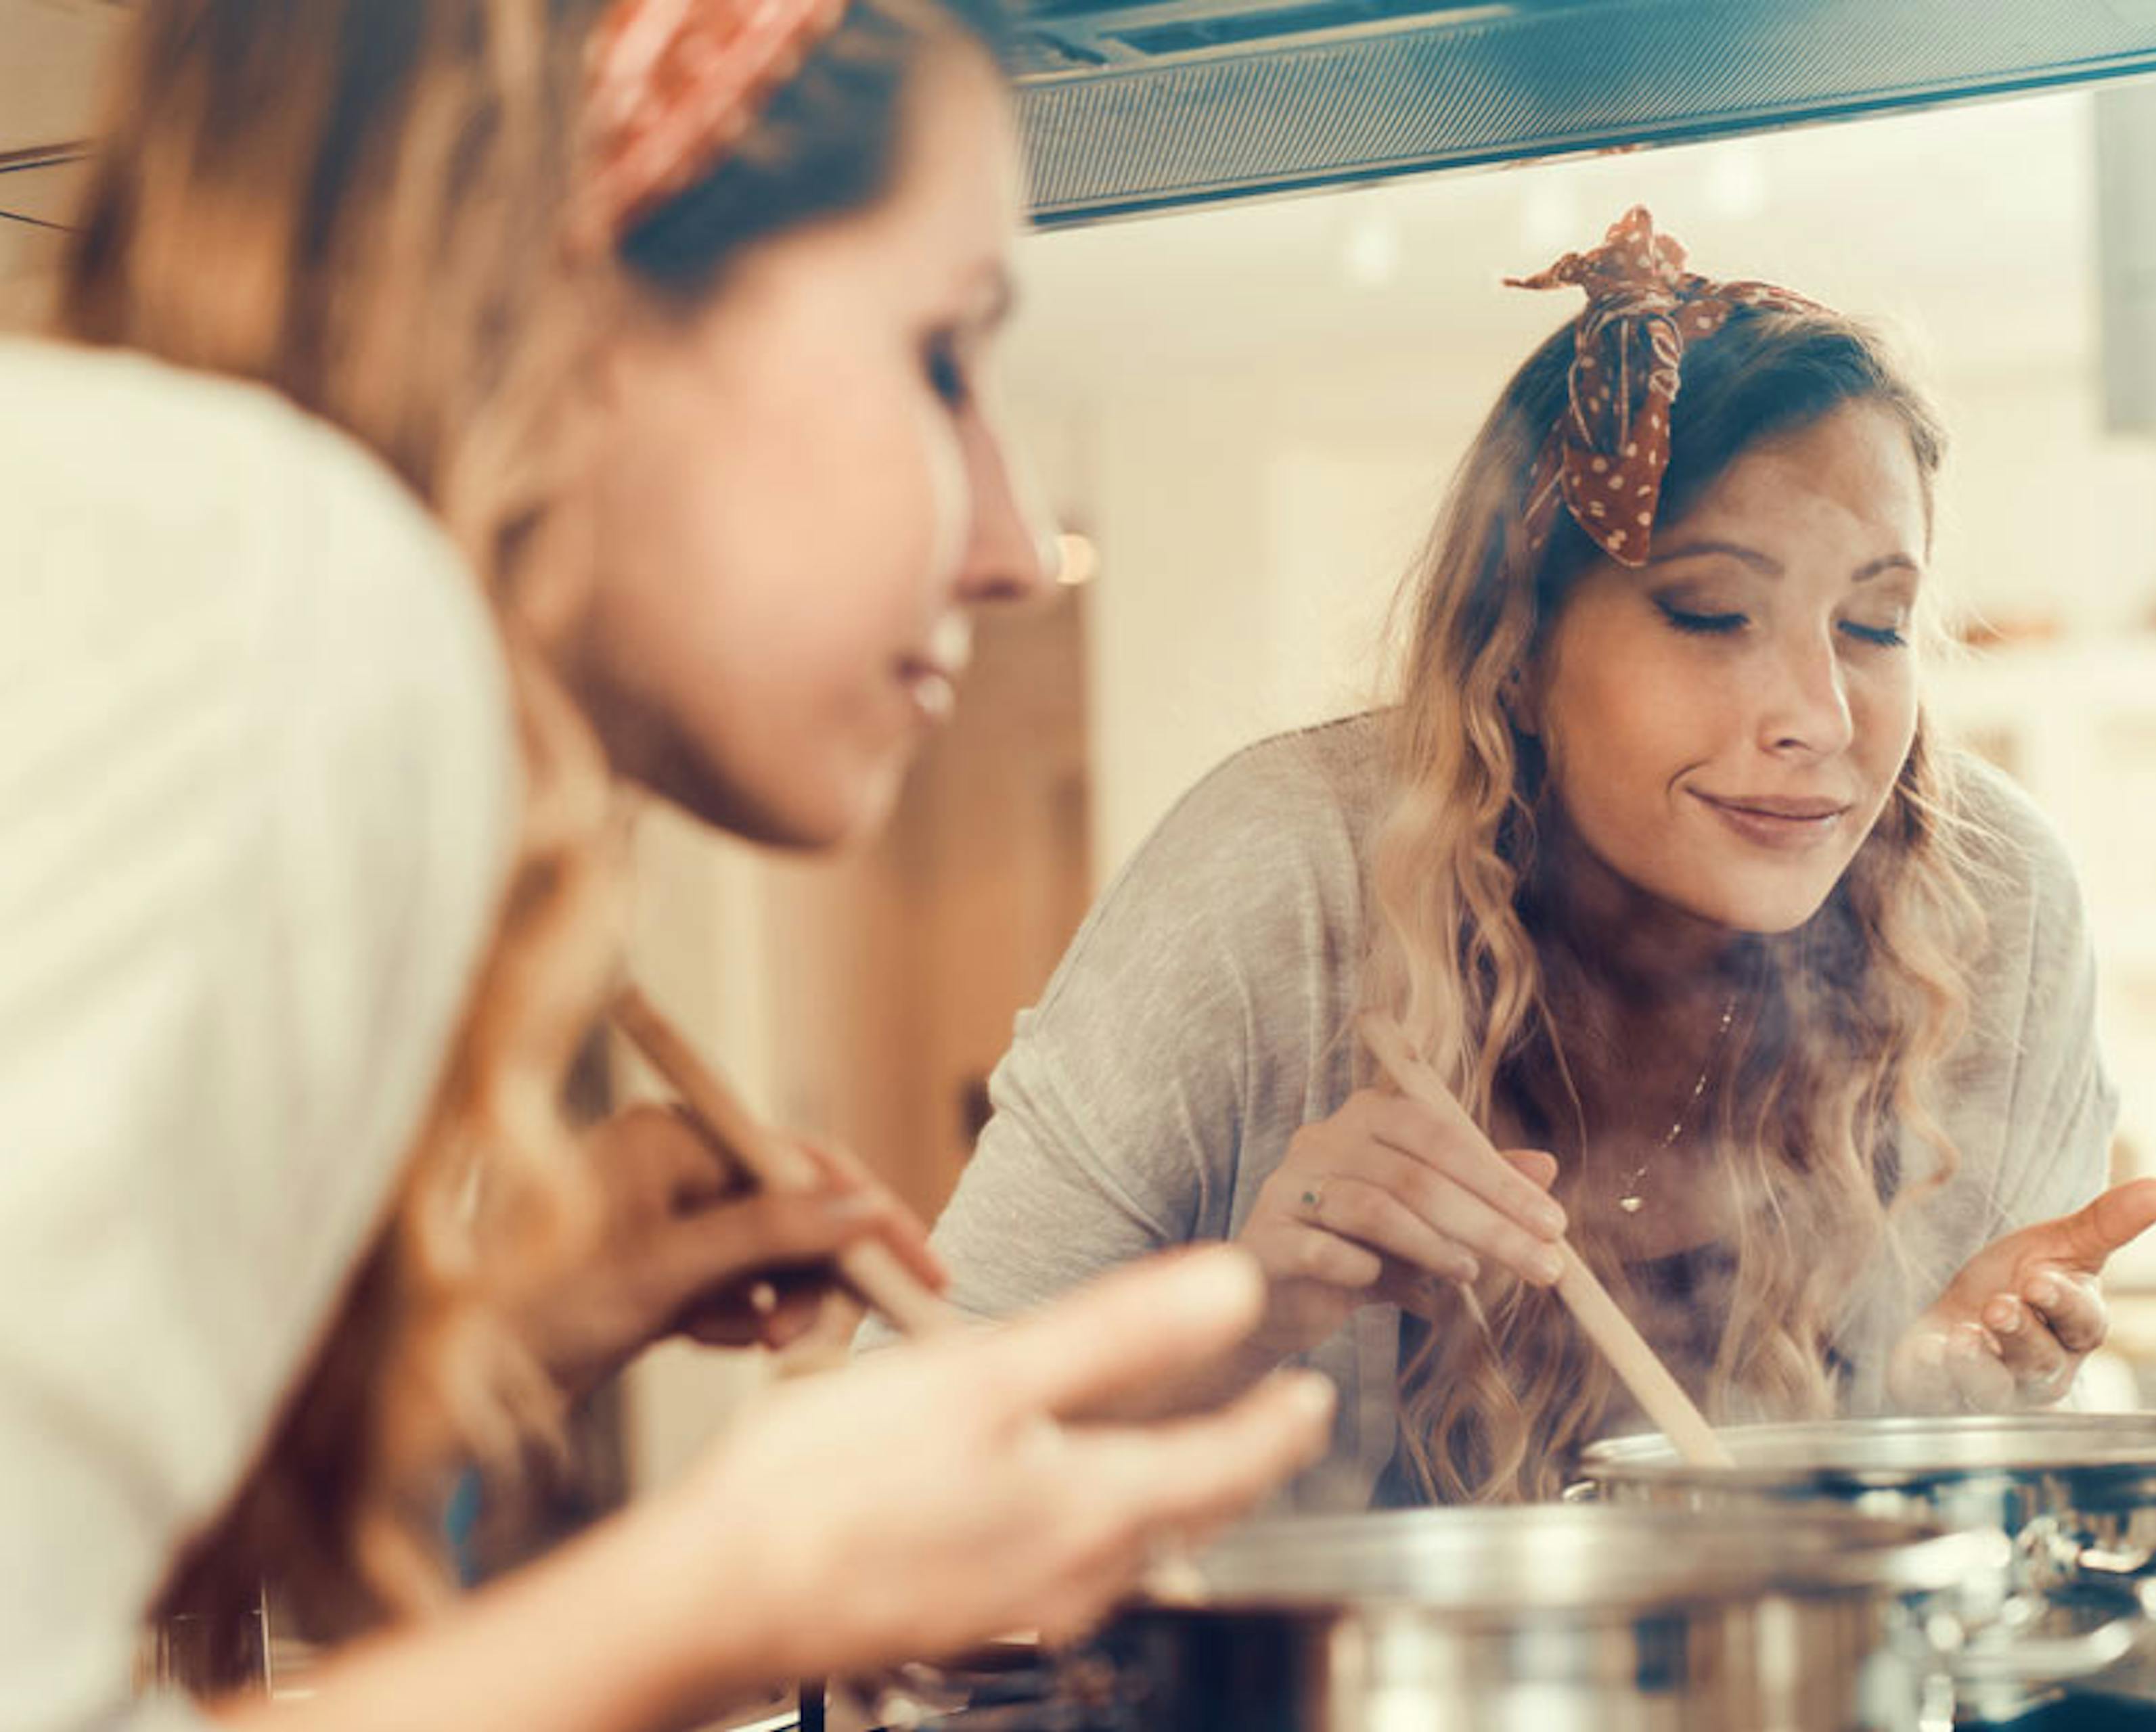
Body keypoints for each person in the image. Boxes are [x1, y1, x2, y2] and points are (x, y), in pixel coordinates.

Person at [0, 2, 1330, 1727]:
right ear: (557, 300)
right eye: (939, 355)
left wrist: (480, 1351)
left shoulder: (199, 579)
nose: (1007, 542)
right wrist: (739, 1581)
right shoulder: (298, 604)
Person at [872, 207, 2156, 1505]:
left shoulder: (1988, 904)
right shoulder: (1285, 877)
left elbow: (1949, 1579)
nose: (1821, 721)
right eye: (1713, 614)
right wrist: (1251, 1315)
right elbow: (904, 1452)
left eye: (1877, 625)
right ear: (1520, 645)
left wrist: (1935, 1421)